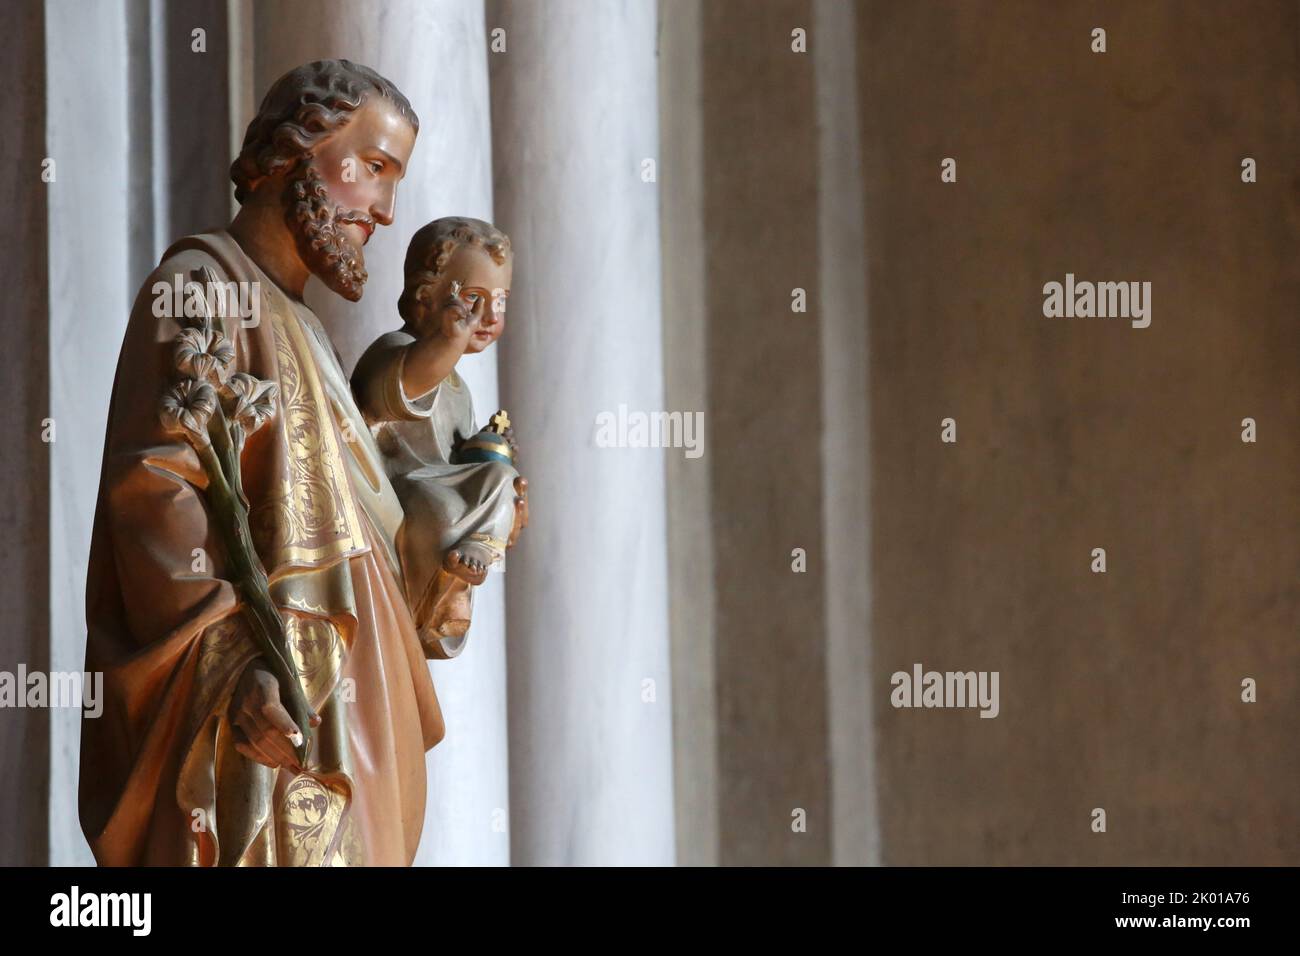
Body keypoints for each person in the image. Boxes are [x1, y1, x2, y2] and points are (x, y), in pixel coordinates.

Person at [79, 60, 462, 866]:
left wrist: (449, 544)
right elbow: (153, 496)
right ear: (297, 151)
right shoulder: (200, 289)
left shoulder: (306, 332)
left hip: (355, 720)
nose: (387, 212)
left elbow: (359, 534)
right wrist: (237, 666)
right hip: (278, 719)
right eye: (376, 169)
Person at [352, 218, 528, 659]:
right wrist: (446, 344)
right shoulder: (396, 349)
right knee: (442, 508)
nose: (489, 317)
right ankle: (446, 584)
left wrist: (500, 492)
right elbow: (395, 392)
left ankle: (468, 562)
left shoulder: (459, 389)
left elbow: (461, 461)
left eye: (500, 301)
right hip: (404, 497)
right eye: (473, 299)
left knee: (500, 482)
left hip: (443, 498)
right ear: (425, 296)